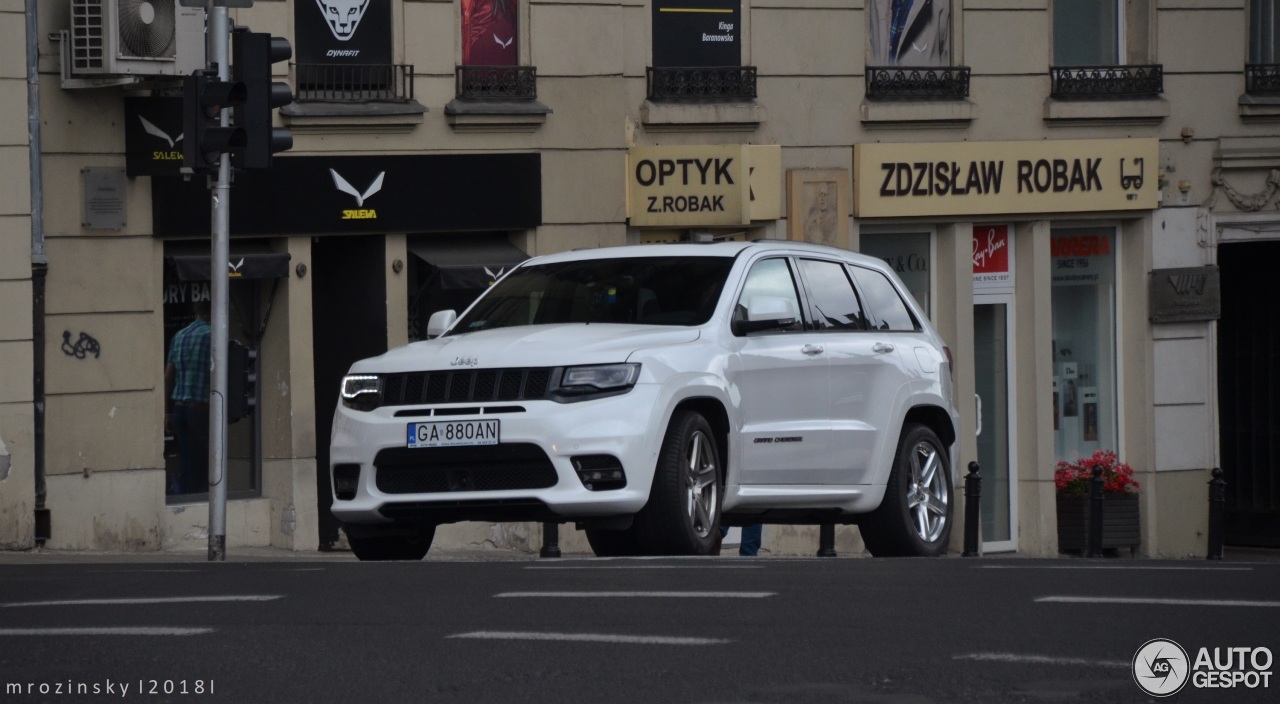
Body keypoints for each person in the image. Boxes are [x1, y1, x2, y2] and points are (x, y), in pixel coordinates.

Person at [165, 299, 211, 495]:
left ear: (196, 310)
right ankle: (196, 503)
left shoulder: (180, 336)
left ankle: (184, 499)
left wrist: (167, 412)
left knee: (188, 460)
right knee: (205, 463)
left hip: (179, 409)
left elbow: (168, 376)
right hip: (201, 409)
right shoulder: (212, 335)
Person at [868, 0, 951, 67]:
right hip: (884, 84)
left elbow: (947, 55)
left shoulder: (939, 4)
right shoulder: (876, 4)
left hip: (922, 84)